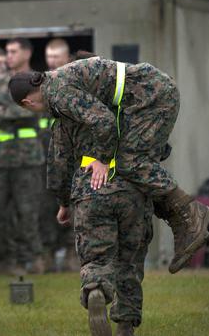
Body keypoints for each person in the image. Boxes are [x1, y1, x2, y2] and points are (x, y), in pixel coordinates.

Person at [8, 56, 209, 274]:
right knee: (132, 162)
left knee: (129, 161)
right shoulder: (55, 81)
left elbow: (104, 121)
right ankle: (183, 222)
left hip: (152, 97)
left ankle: (191, 214)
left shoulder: (58, 94)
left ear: (27, 104)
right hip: (145, 96)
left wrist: (102, 161)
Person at [47, 101, 154, 336]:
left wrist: (64, 202)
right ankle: (125, 325)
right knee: (131, 261)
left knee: (96, 256)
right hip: (132, 191)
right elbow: (159, 148)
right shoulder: (128, 106)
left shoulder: (69, 110)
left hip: (91, 191)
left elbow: (59, 164)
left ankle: (95, 287)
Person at [0, 38, 46, 275]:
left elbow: (39, 110)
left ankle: (35, 258)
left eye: (13, 51)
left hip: (28, 158)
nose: (8, 56)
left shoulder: (38, 80)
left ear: (27, 53)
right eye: (7, 51)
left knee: (28, 211)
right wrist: (19, 109)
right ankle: (5, 260)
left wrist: (6, 111)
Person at [40, 38, 79, 272]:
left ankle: (73, 254)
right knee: (46, 207)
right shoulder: (42, 83)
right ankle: (48, 254)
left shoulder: (72, 81)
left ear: (66, 57)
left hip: (72, 156)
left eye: (56, 57)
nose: (52, 61)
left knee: (74, 202)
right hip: (46, 157)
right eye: (49, 57)